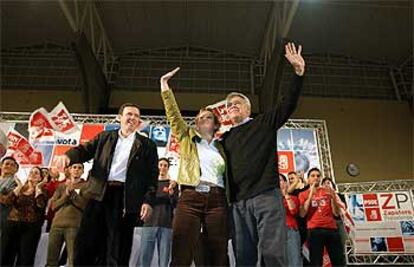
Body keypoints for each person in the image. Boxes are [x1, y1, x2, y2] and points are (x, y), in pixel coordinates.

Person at [220, 42, 305, 266]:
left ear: (248, 108)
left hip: (266, 196)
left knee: (273, 255)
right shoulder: (224, 139)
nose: (233, 106)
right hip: (238, 203)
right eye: (229, 105)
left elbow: (288, 104)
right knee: (243, 257)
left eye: (238, 103)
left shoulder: (263, 123)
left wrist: (297, 73)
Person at [54, 103, 159, 266]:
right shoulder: (104, 138)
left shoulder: (147, 145)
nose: (132, 118)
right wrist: (68, 157)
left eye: (136, 116)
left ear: (139, 121)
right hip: (98, 193)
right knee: (87, 243)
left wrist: (147, 200)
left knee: (117, 247)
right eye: (129, 114)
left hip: (125, 199)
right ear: (120, 118)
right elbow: (84, 150)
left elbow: (152, 176)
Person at [160, 67, 229, 266]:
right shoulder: (187, 138)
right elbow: (173, 115)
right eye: (198, 118)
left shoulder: (223, 147)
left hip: (217, 200)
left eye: (206, 117)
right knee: (181, 250)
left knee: (218, 253)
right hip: (190, 197)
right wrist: (165, 87)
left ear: (216, 125)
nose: (200, 119)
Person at [1, 166, 47, 266]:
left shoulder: (42, 191)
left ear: (40, 178)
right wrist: (19, 186)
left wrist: (38, 188)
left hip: (30, 228)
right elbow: (8, 201)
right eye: (31, 172)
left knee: (25, 258)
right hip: (12, 224)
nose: (32, 174)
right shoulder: (20, 188)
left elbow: (40, 205)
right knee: (5, 255)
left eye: (36, 173)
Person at [299, 168, 345, 267]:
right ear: (308, 179)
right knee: (316, 261)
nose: (316, 178)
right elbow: (302, 213)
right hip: (314, 230)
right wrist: (311, 193)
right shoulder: (303, 194)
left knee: (338, 260)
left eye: (318, 176)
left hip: (331, 229)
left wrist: (333, 198)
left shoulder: (327, 191)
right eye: (313, 176)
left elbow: (336, 213)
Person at [46, 163, 88, 267]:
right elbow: (54, 206)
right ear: (69, 170)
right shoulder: (61, 186)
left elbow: (85, 206)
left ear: (83, 171)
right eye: (74, 167)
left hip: (74, 226)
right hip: (57, 225)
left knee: (73, 260)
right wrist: (66, 194)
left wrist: (72, 193)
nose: (76, 170)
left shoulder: (86, 186)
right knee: (51, 259)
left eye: (79, 168)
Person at [138, 158, 178, 267]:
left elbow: (176, 205)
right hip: (149, 224)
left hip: (166, 225)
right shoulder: (150, 185)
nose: (162, 167)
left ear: (168, 168)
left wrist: (171, 194)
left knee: (164, 260)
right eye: (160, 165)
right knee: (144, 258)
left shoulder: (173, 185)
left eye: (165, 165)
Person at [279, 174, 302, 267]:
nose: (278, 183)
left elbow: (293, 211)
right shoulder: (269, 200)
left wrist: (286, 195)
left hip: (290, 230)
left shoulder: (293, 198)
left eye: (280, 180)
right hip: (273, 232)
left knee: (294, 260)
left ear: (285, 183)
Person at [0, 157, 19, 233]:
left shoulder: (15, 183)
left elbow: (7, 200)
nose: (9, 166)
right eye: (7, 164)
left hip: (2, 218)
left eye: (12, 165)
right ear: (1, 165)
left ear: (15, 169)